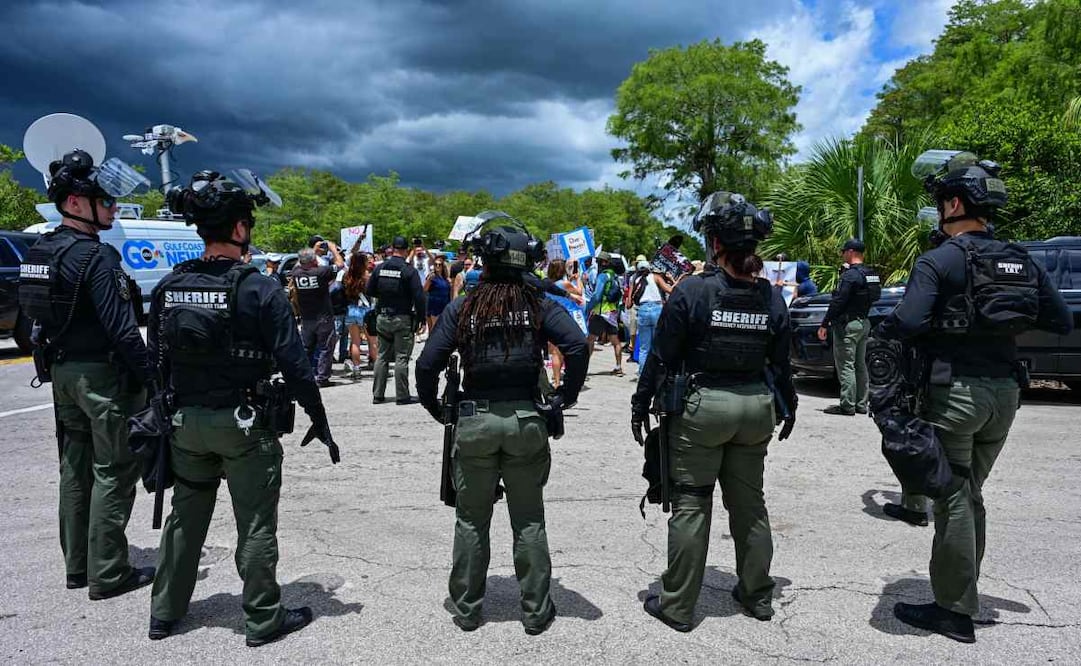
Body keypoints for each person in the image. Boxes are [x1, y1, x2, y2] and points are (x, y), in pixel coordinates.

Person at [875, 151, 1072, 643]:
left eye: (943, 201)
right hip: (1005, 394)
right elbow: (1059, 319)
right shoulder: (1021, 258)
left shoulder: (939, 259)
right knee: (970, 492)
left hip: (956, 394)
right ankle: (961, 592)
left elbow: (908, 321)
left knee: (953, 497)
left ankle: (954, 610)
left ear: (954, 204)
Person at [145, 170, 338, 646]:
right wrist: (319, 418)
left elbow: (155, 360)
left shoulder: (170, 285)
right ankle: (262, 618)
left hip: (185, 423)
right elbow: (295, 364)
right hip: (244, 425)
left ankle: (164, 612)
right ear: (238, 228)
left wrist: (162, 413)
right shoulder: (259, 288)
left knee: (185, 516)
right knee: (254, 522)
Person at [415, 212, 587, 635]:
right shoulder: (537, 304)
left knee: (471, 520)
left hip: (475, 421)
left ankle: (468, 609)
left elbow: (426, 364)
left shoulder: (465, 306)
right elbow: (578, 346)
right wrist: (563, 398)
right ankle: (535, 611)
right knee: (528, 520)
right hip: (526, 421)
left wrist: (436, 408)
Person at [632, 192, 797, 632]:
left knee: (691, 502)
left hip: (703, 408)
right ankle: (758, 596)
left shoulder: (693, 290)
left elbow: (661, 357)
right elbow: (782, 362)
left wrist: (639, 402)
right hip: (756, 408)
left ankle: (678, 606)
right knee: (750, 504)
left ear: (715, 244)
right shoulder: (771, 297)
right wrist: (791, 405)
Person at [17, 149, 154, 598]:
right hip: (102, 378)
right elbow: (123, 330)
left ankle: (77, 565)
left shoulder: (41, 250)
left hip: (62, 373)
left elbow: (34, 318)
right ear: (75, 203)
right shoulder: (96, 256)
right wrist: (153, 379)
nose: (113, 208)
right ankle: (109, 572)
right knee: (114, 469)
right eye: (105, 201)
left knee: (74, 469)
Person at [817, 239, 880, 415]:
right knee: (860, 365)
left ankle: (847, 405)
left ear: (851, 252)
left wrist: (824, 323)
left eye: (844, 251)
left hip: (848, 325)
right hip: (864, 322)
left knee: (846, 365)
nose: (842, 254)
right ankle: (861, 404)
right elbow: (876, 297)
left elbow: (838, 301)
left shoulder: (850, 276)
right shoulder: (871, 273)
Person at [367, 235, 426, 404]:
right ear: (406, 250)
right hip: (402, 317)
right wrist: (421, 318)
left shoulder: (380, 268)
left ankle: (378, 395)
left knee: (382, 356)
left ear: (392, 248)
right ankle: (402, 395)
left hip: (382, 316)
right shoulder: (408, 270)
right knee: (401, 357)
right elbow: (419, 296)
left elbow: (369, 290)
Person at [290, 248, 339, 387]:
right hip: (323, 316)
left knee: (307, 348)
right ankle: (322, 378)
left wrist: (311, 252)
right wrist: (333, 249)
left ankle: (303, 376)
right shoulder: (321, 272)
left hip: (306, 317)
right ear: (313, 261)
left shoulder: (296, 273)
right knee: (326, 348)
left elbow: (299, 263)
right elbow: (340, 265)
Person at [584, 251, 625, 375]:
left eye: (598, 261)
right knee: (615, 340)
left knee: (590, 339)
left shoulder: (603, 276)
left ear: (604, 262)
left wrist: (588, 308)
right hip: (612, 312)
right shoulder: (615, 276)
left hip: (601, 312)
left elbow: (597, 295)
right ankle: (618, 367)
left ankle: (583, 368)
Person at [342, 252, 376, 380]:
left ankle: (356, 368)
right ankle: (378, 368)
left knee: (355, 341)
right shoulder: (367, 277)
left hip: (351, 310)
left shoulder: (347, 276)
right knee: (372, 341)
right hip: (366, 310)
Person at [630, 259, 666, 377]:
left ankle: (642, 375)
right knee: (657, 344)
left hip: (643, 310)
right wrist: (675, 279)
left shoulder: (635, 280)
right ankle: (656, 374)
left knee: (644, 348)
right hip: (657, 309)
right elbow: (670, 290)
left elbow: (629, 303)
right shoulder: (656, 277)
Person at [424, 253, 452, 332]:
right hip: (434, 304)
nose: (437, 266)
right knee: (434, 328)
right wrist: (429, 280)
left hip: (444, 304)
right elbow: (425, 290)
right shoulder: (432, 277)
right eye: (436, 264)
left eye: (439, 265)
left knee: (443, 327)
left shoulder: (446, 278)